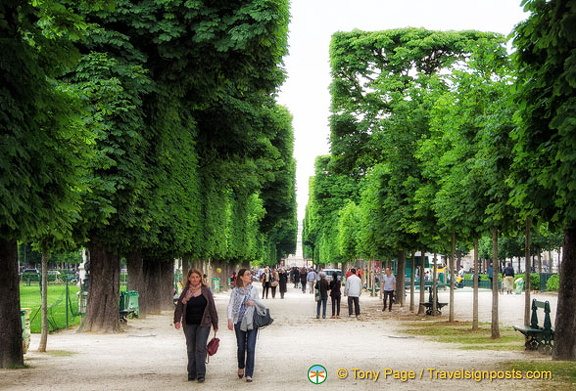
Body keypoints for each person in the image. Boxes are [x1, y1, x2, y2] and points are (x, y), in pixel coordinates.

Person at [174, 268, 219, 383]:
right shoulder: (186, 291)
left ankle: (200, 374)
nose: (195, 279)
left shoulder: (206, 290)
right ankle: (191, 373)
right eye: (192, 277)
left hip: (204, 323)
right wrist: (177, 320)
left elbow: (212, 308)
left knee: (200, 347)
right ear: (189, 278)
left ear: (201, 278)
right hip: (188, 323)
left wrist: (215, 323)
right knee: (190, 348)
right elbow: (179, 306)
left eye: (197, 277)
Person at [227, 268, 265, 383]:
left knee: (250, 347)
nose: (250, 276)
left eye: (250, 274)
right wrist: (229, 319)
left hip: (251, 321)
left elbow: (259, 303)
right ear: (241, 277)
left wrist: (253, 303)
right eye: (248, 274)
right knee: (241, 347)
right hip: (239, 321)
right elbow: (231, 305)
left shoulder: (254, 289)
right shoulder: (235, 291)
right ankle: (241, 366)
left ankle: (249, 373)